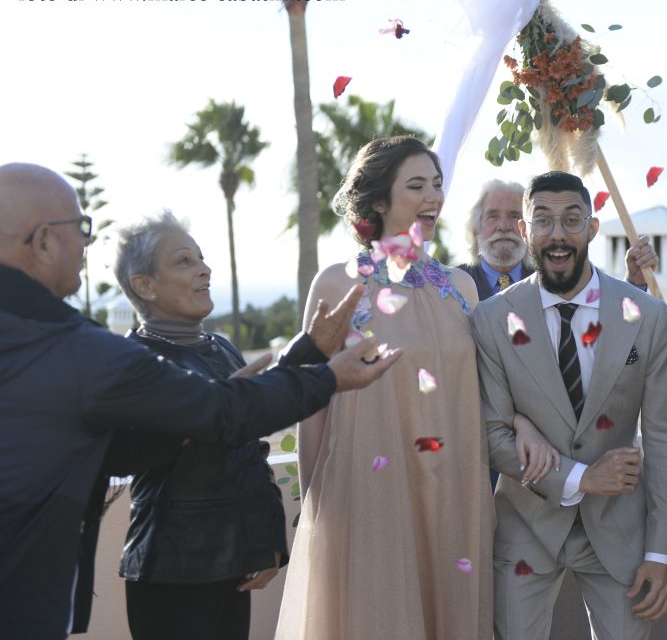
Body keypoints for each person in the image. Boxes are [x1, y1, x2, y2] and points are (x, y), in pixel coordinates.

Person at [0, 163, 398, 640]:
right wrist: (327, 376)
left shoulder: (210, 348)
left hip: (225, 569)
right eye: (80, 228)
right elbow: (221, 412)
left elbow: (229, 417)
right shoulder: (95, 354)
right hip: (165, 571)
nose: (86, 243)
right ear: (43, 241)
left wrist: (305, 354)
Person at [275, 136, 500, 639]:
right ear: (378, 201)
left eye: (437, 185)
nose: (432, 198)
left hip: (454, 490)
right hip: (368, 490)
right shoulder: (338, 284)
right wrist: (318, 502)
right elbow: (310, 399)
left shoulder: (462, 289)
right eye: (416, 185)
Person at [110, 211, 352, 640]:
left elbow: (250, 441)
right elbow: (137, 450)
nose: (204, 269)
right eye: (184, 261)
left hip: (231, 566)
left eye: (201, 258)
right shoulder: (134, 362)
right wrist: (214, 407)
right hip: (172, 573)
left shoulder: (220, 346)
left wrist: (267, 542)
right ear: (144, 285)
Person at [470, 170, 667, 640]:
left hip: (620, 533)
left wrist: (661, 554)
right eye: (543, 220)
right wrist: (582, 477)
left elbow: (666, 437)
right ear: (527, 231)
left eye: (572, 219)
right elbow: (490, 434)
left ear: (592, 227)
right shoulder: (490, 320)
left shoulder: (647, 317)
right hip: (526, 528)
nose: (558, 234)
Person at [459, 177, 658, 300]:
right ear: (475, 227)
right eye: (493, 216)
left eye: (514, 215)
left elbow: (606, 317)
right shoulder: (452, 284)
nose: (503, 226)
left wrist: (635, 283)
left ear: (526, 229)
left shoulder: (556, 276)